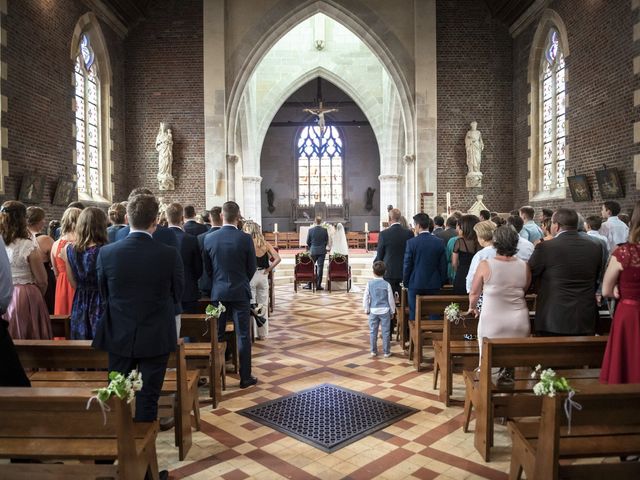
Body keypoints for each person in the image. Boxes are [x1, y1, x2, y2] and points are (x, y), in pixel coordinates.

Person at [93, 193, 184, 426]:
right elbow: (178, 293)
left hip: (119, 334)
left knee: (118, 394)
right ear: (156, 220)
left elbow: (104, 294)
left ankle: (122, 451)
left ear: (126, 217)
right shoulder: (169, 254)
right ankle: (145, 461)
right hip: (156, 335)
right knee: (148, 398)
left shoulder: (107, 253)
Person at [203, 201, 257, 389]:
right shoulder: (245, 238)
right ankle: (245, 377)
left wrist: (218, 284)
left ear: (221, 216)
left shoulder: (209, 239)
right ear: (238, 216)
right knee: (243, 335)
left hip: (218, 292)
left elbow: (207, 270)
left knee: (217, 334)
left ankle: (216, 377)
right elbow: (251, 268)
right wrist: (241, 280)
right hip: (240, 291)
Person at [529, 208, 603, 336]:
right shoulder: (595, 246)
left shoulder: (546, 247)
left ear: (556, 226)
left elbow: (531, 274)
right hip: (585, 315)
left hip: (553, 316)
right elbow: (597, 277)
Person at [467, 226, 531, 362]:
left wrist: (472, 307)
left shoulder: (485, 265)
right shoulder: (524, 266)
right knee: (517, 360)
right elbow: (524, 289)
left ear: (495, 242)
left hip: (492, 319)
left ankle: (487, 381)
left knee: (487, 360)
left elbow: (474, 292)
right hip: (518, 320)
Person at [599, 201, 640, 384]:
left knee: (628, 359)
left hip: (630, 313)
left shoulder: (625, 253)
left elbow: (606, 290)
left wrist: (619, 287)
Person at [0, 201, 50, 339]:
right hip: (24, 295)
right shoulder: (26, 245)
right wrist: (37, 297)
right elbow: (42, 281)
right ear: (23, 220)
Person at [62, 207, 108, 340]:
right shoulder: (106, 250)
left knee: (81, 342)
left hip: (81, 300)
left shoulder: (69, 249)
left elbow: (72, 282)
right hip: (101, 300)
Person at [403, 213, 447, 321]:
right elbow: (443, 265)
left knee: (414, 312)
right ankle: (434, 336)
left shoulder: (411, 243)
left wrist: (406, 282)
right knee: (434, 312)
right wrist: (441, 281)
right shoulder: (439, 242)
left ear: (418, 226)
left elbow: (407, 265)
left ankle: (415, 337)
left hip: (415, 282)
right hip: (434, 283)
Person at [0, 236, 30, 387]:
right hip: (24, 292)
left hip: (16, 295)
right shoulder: (28, 245)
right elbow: (4, 283)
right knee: (14, 387)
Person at [243, 220, 281, 339]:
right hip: (263, 275)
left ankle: (253, 333)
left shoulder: (247, 243)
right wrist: (268, 270)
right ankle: (263, 334)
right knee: (263, 304)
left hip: (251, 275)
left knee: (252, 305)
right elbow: (277, 258)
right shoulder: (265, 243)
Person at [166, 203, 202, 316]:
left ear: (167, 218)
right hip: (188, 290)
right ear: (182, 218)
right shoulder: (191, 239)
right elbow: (199, 268)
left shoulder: (158, 238)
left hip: (166, 292)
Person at [375, 208, 414, 296]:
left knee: (389, 297)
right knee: (404, 298)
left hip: (389, 271)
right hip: (405, 270)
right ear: (400, 218)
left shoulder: (384, 234)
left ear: (389, 219)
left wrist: (376, 265)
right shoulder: (409, 233)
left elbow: (380, 255)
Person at [51, 207, 80, 315]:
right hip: (76, 282)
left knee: (63, 319)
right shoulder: (80, 242)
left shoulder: (55, 243)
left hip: (61, 284)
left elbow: (55, 272)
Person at [363, 261, 395, 358]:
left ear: (373, 271)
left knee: (373, 331)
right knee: (385, 332)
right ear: (385, 272)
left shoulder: (369, 284)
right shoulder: (387, 284)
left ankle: (373, 351)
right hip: (385, 310)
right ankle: (386, 352)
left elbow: (366, 297)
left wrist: (366, 309)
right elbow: (391, 299)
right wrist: (392, 311)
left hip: (373, 310)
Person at [26, 206, 56, 313]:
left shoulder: (19, 239)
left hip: (27, 283)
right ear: (39, 221)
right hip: (45, 279)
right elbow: (54, 263)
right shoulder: (46, 239)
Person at [465, 220, 497, 293]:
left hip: (485, 293)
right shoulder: (504, 251)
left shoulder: (481, 255)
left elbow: (472, 277)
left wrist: (470, 291)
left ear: (482, 237)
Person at [452, 215, 481, 294]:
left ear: (464, 227)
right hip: (477, 276)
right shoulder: (481, 242)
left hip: (462, 275)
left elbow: (454, 263)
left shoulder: (459, 242)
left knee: (460, 303)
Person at [198, 206, 222, 296]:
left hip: (205, 283)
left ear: (210, 218)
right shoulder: (233, 237)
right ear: (222, 216)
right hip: (227, 284)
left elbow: (198, 262)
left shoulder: (200, 238)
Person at [305, 216, 329, 290]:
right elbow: (326, 241)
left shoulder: (310, 230)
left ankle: (309, 284)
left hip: (313, 251)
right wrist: (322, 246)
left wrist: (312, 247)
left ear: (315, 221)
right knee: (320, 268)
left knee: (311, 267)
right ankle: (318, 285)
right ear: (321, 222)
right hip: (322, 251)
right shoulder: (325, 230)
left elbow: (307, 242)